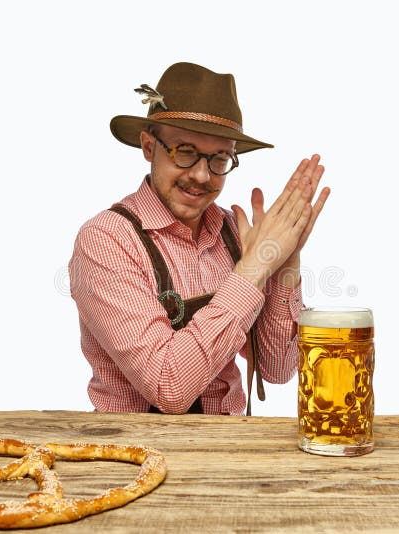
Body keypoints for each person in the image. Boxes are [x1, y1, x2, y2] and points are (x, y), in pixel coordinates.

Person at [69, 62, 330, 415]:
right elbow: (169, 387)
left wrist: (287, 260)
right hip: (137, 454)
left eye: (220, 158)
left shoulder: (234, 234)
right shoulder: (106, 240)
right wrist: (253, 269)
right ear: (149, 147)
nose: (202, 175)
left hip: (229, 451)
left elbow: (278, 370)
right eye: (186, 152)